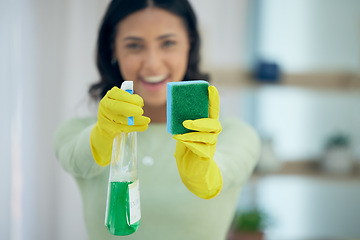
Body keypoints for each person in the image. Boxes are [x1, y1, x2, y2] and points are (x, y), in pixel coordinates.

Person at [54, 0, 260, 239]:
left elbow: (223, 173)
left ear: (189, 45)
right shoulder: (76, 133)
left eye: (168, 43)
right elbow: (79, 158)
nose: (152, 63)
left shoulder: (236, 135)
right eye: (134, 45)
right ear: (113, 50)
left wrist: (202, 172)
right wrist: (103, 134)